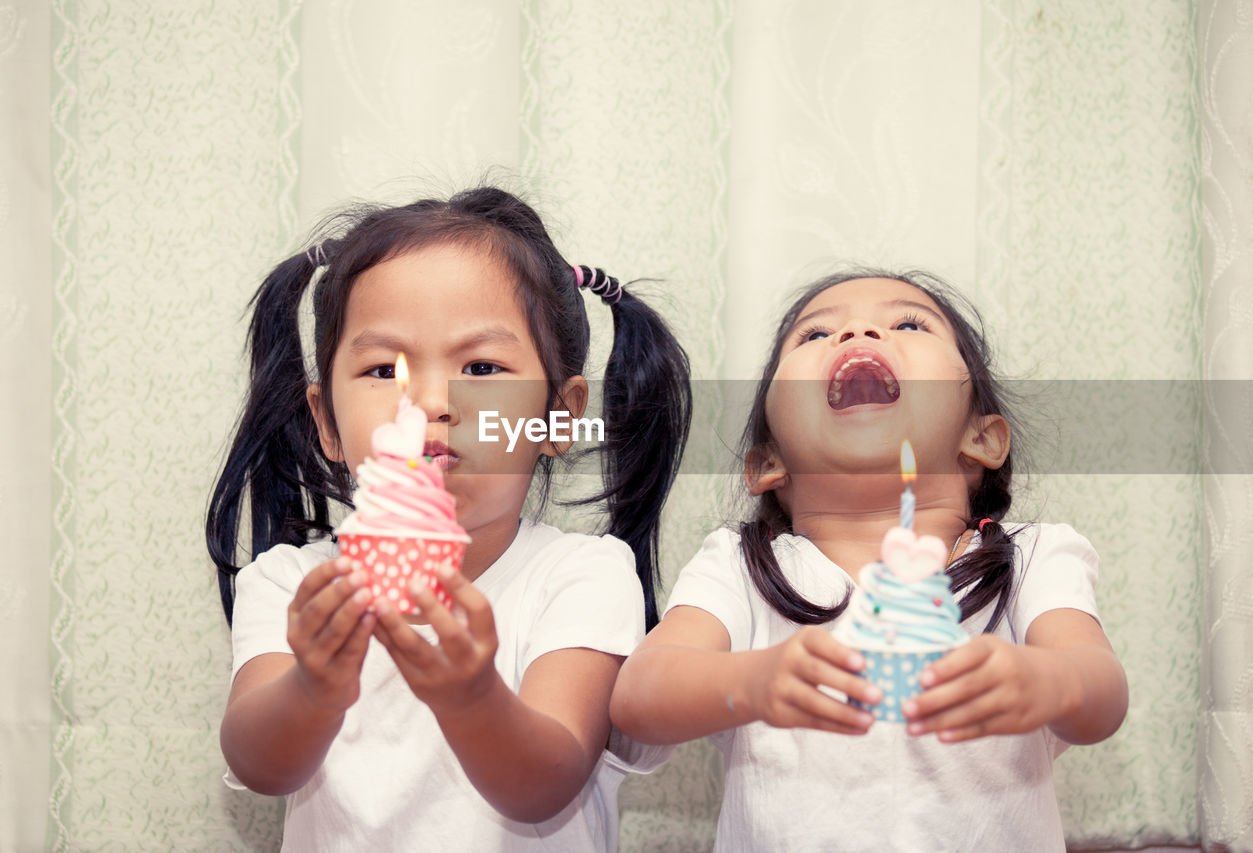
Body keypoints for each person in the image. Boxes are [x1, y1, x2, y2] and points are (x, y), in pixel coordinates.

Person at [205, 186, 691, 851]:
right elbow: (257, 763)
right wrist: (313, 686)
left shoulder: (582, 577)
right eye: (383, 369)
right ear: (327, 421)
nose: (430, 401)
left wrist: (471, 697)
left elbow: (545, 781)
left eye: (482, 366)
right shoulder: (292, 584)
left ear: (559, 413)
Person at [610, 268, 1128, 851]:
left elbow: (1102, 695)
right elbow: (637, 697)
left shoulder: (1032, 557)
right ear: (767, 463)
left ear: (983, 440)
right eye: (813, 335)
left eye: (908, 323)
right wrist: (749, 681)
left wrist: (1046, 681)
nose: (858, 331)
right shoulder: (740, 568)